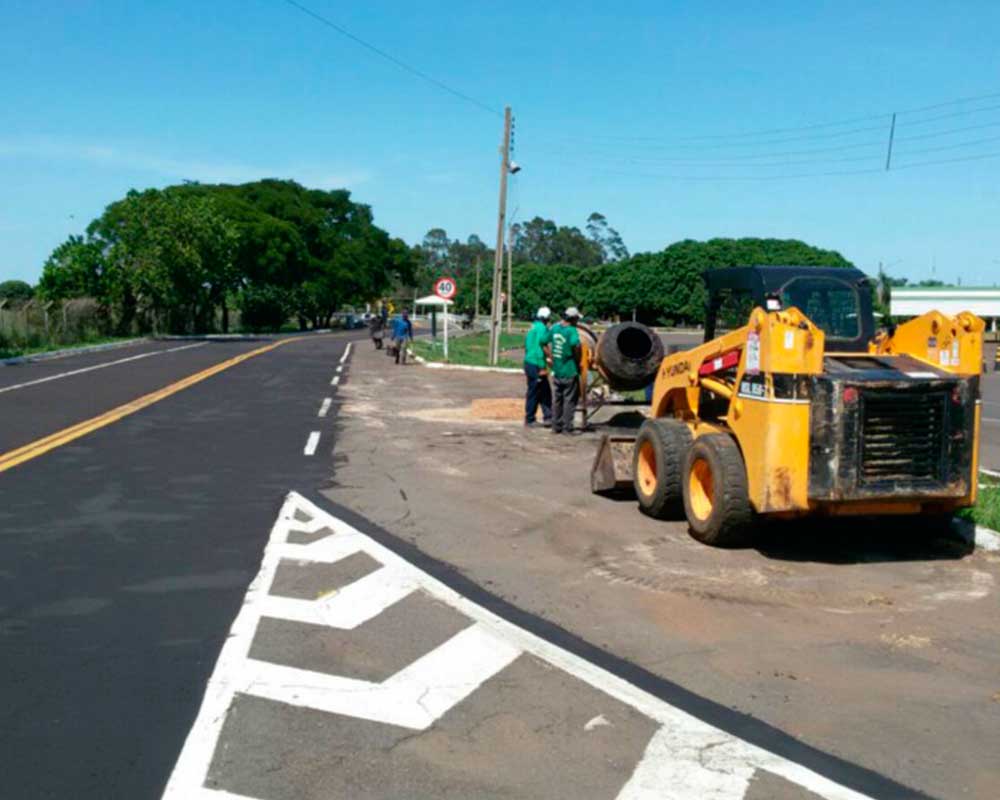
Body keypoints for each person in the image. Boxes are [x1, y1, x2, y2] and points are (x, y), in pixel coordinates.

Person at [550, 307, 583, 434]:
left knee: (557, 399)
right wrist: (577, 359)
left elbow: (543, 341)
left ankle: (555, 426)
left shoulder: (555, 328)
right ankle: (567, 427)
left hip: (557, 370)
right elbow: (576, 345)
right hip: (569, 370)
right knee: (569, 400)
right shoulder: (572, 330)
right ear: (573, 319)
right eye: (577, 319)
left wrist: (551, 358)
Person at [523, 306, 553, 427]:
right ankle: (530, 419)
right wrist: (545, 364)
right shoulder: (542, 329)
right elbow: (541, 346)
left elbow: (527, 346)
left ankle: (548, 417)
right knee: (534, 392)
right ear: (546, 318)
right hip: (536, 363)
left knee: (544, 391)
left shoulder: (533, 326)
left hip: (529, 362)